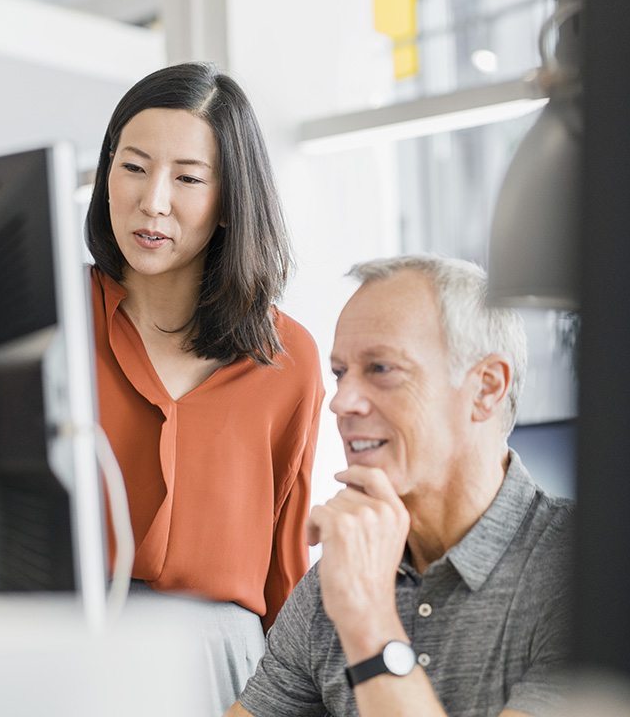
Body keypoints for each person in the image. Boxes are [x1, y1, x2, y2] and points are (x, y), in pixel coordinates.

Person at [228, 255, 574, 717]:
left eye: (381, 369)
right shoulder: (330, 582)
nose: (341, 402)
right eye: (340, 373)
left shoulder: (583, 572)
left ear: (486, 388)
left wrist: (369, 620)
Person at [85, 62, 324, 713]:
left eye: (188, 178)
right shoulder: (52, 315)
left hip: (229, 674)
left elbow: (285, 563)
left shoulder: (287, 356)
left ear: (229, 201)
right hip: (73, 651)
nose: (153, 200)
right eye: (132, 166)